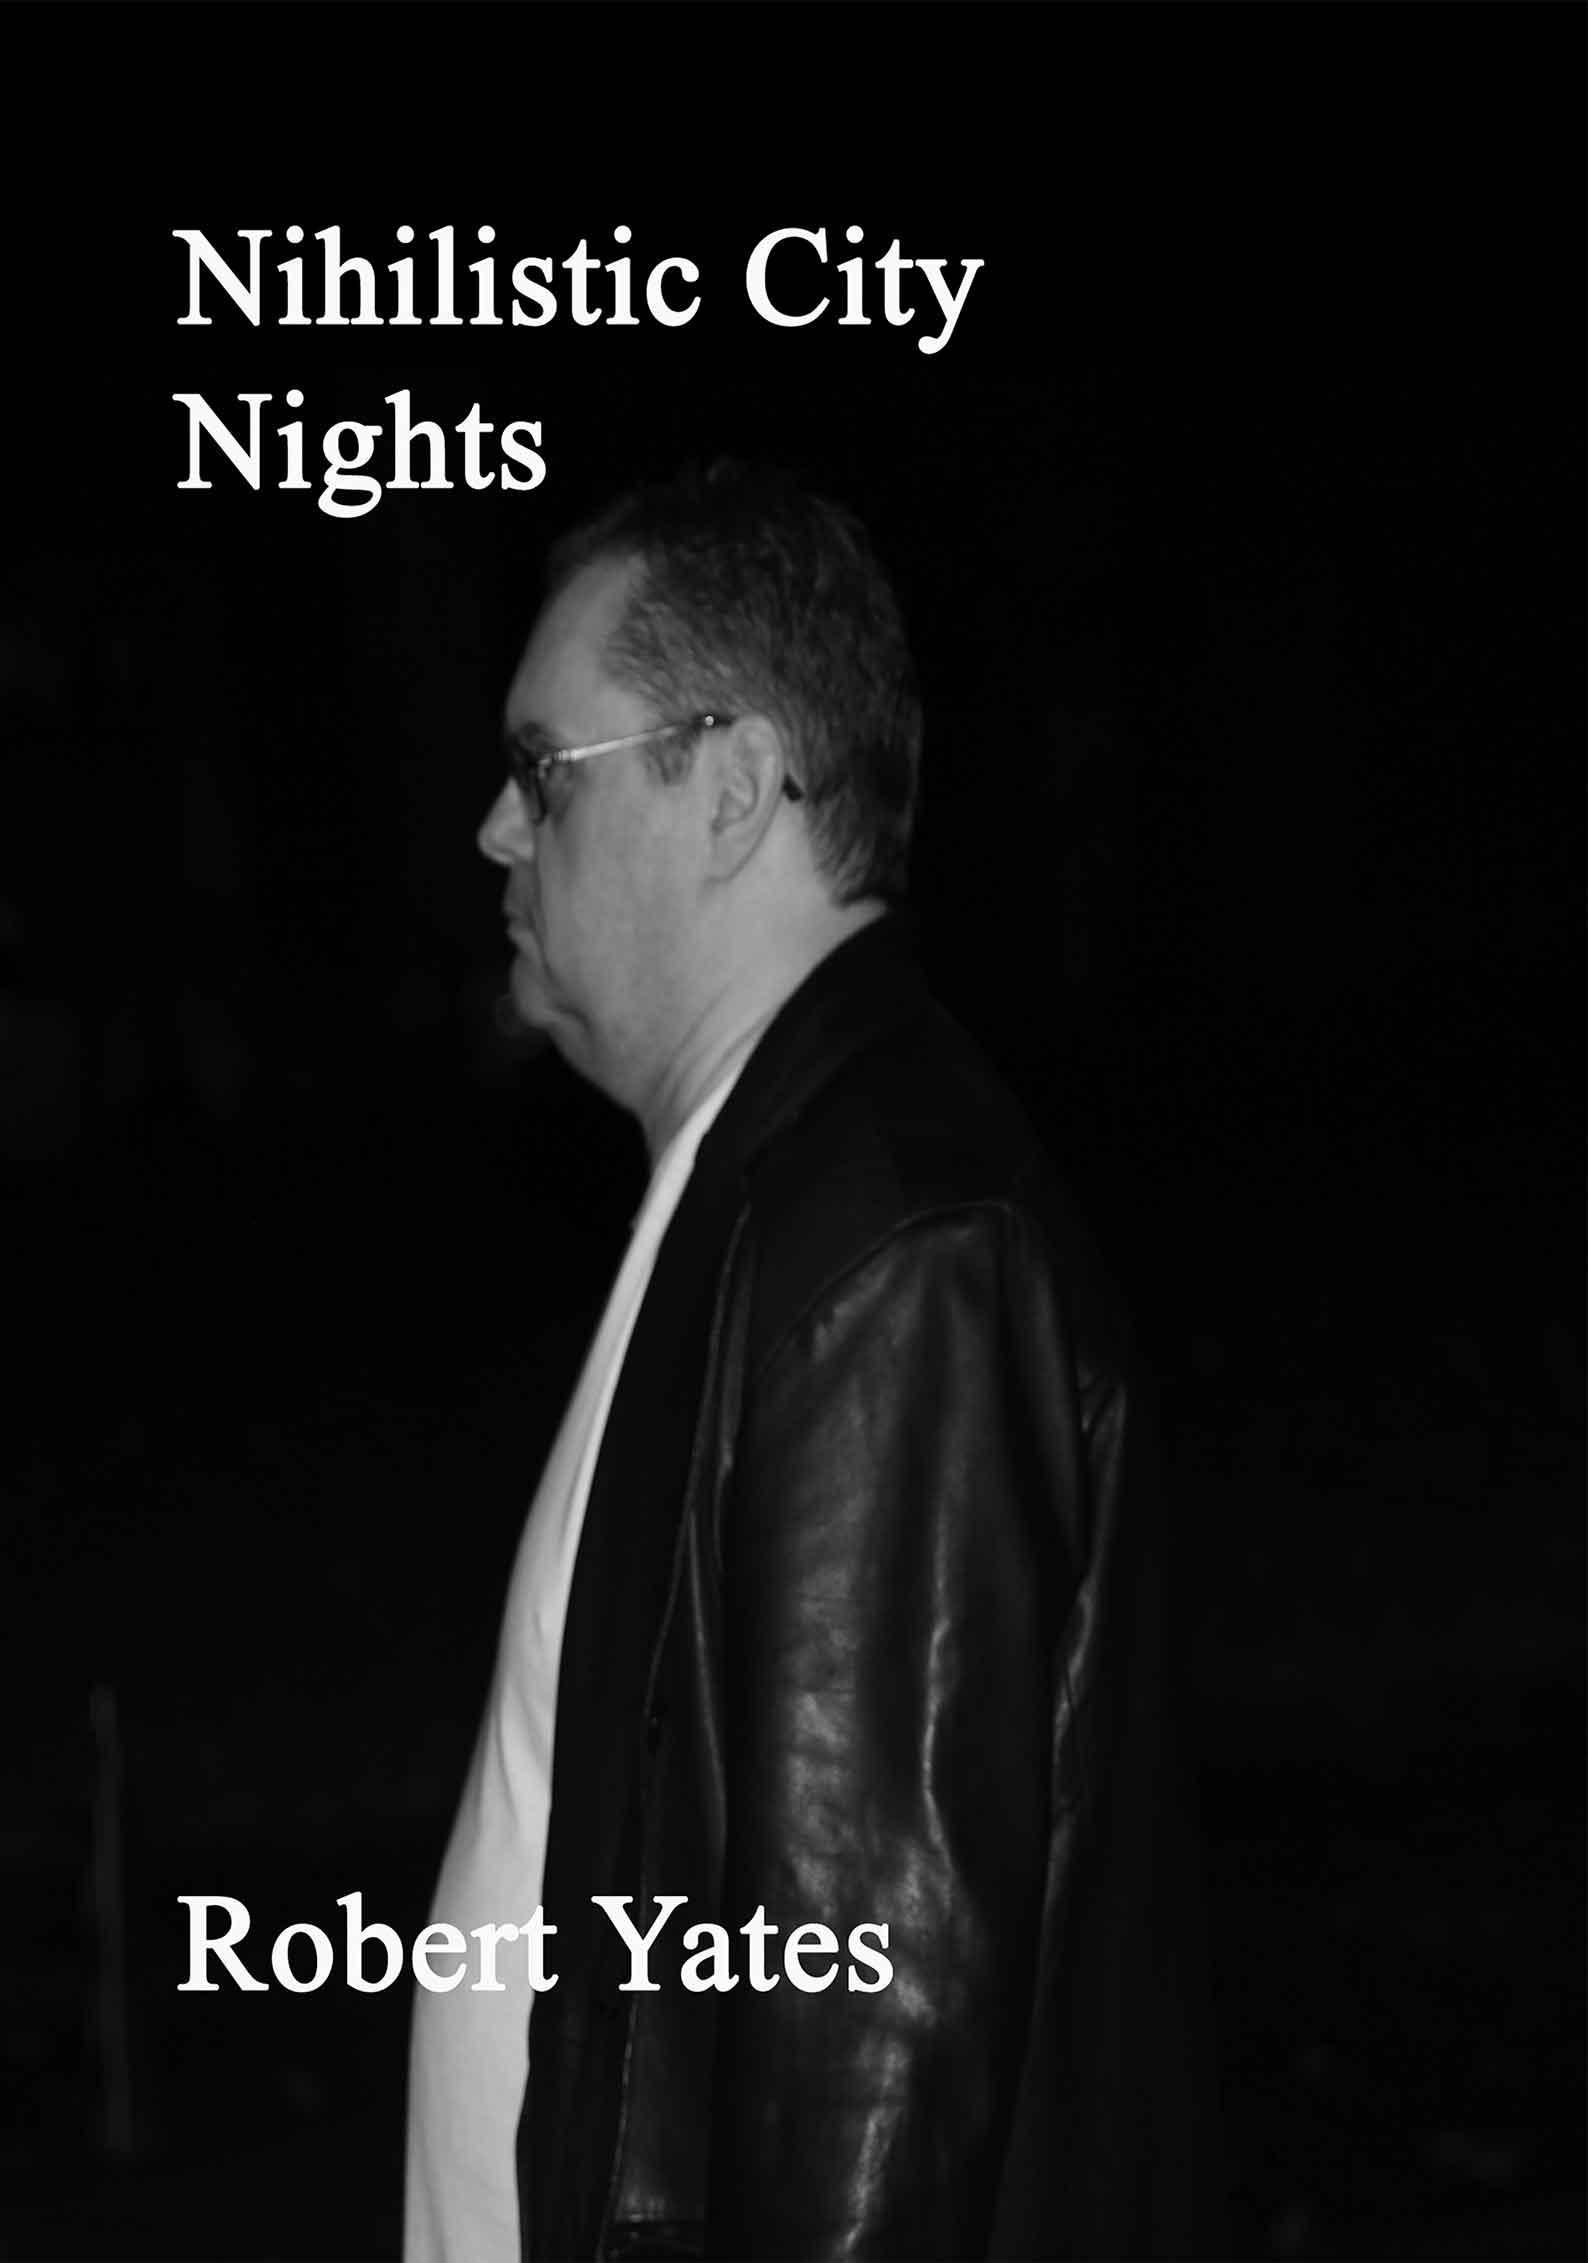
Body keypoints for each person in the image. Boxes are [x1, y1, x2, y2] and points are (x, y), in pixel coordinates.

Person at [405, 462, 1214, 2261]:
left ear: (732, 786)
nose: (496, 829)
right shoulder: (764, 1192)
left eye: (547, 769)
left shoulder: (890, 1243)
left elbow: (872, 2035)